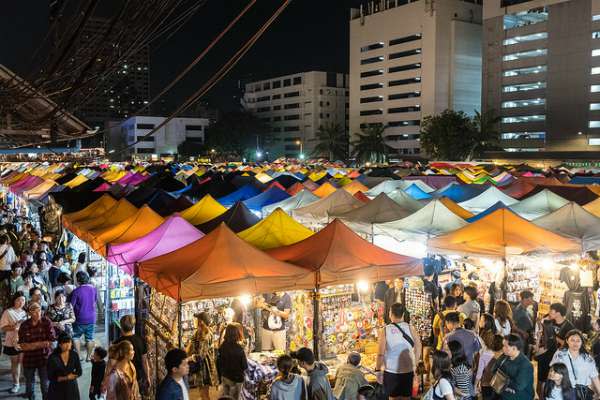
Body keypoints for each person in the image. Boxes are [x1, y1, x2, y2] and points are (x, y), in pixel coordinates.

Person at [376, 302, 421, 400]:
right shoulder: (411, 328)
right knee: (406, 397)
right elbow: (418, 346)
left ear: (390, 314)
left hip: (391, 371)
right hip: (408, 370)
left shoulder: (385, 330)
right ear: (403, 314)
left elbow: (380, 354)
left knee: (393, 398)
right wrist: (415, 365)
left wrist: (378, 370)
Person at [537, 303, 576, 399]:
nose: (549, 312)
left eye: (551, 310)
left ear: (558, 313)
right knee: (540, 380)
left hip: (557, 359)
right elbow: (542, 337)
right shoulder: (549, 321)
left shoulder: (569, 327)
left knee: (551, 381)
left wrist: (554, 337)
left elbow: (570, 345)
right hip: (544, 354)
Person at [18, 302, 56, 400]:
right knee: (29, 385)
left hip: (44, 357)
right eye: (33, 310)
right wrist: (41, 344)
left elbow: (51, 342)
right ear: (29, 313)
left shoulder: (46, 322)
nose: (37, 312)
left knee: (45, 384)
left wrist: (31, 345)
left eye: (39, 309)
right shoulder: (24, 325)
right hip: (29, 359)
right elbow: (23, 346)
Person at [550, 329, 600, 396]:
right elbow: (552, 372)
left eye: (578, 341)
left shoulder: (587, 358)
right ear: (567, 341)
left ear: (582, 342)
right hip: (563, 393)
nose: (575, 343)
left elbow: (595, 377)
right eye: (572, 340)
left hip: (583, 394)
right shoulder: (560, 355)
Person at [112, 315, 149, 395]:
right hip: (137, 377)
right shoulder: (140, 340)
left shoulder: (117, 343)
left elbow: (113, 364)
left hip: (122, 378)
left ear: (121, 326)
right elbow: (144, 361)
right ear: (133, 326)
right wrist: (147, 376)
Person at [187, 311, 218, 400]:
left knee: (204, 393)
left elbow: (201, 355)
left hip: (204, 367)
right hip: (202, 366)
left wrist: (190, 358)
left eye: (197, 319)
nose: (195, 321)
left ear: (201, 321)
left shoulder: (206, 335)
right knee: (202, 393)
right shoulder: (199, 332)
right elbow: (192, 342)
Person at [0, 291, 27, 394]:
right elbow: (2, 327)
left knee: (22, 362)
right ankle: (16, 384)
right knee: (15, 363)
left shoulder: (25, 312)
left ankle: (23, 379)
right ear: (14, 300)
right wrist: (13, 327)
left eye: (23, 300)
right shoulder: (8, 312)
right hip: (11, 341)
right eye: (19, 300)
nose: (21, 302)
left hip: (23, 341)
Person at [492, 334, 534, 400]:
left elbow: (519, 385)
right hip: (503, 395)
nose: (503, 348)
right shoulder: (504, 356)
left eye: (505, 346)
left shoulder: (525, 365)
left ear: (514, 348)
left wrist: (502, 378)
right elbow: (494, 369)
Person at [70, 271, 98, 361]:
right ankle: (89, 356)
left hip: (79, 319)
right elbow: (94, 301)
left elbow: (71, 306)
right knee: (89, 338)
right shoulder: (94, 289)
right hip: (91, 318)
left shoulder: (76, 291)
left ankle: (79, 355)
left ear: (78, 280)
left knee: (76, 337)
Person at [47, 333, 82, 400]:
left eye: (69, 342)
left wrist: (71, 377)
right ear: (60, 345)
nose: (68, 344)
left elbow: (79, 371)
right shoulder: (53, 357)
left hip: (71, 388)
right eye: (65, 343)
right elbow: (50, 376)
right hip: (57, 389)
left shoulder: (74, 355)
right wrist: (66, 378)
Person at [218, 323, 248, 400]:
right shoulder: (239, 349)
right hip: (237, 379)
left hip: (225, 376)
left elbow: (219, 362)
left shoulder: (222, 347)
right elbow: (244, 366)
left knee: (226, 396)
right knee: (236, 397)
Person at [479, 335, 505, 400]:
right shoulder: (505, 357)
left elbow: (479, 373)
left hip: (486, 384)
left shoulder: (484, 355)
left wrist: (476, 384)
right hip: (499, 385)